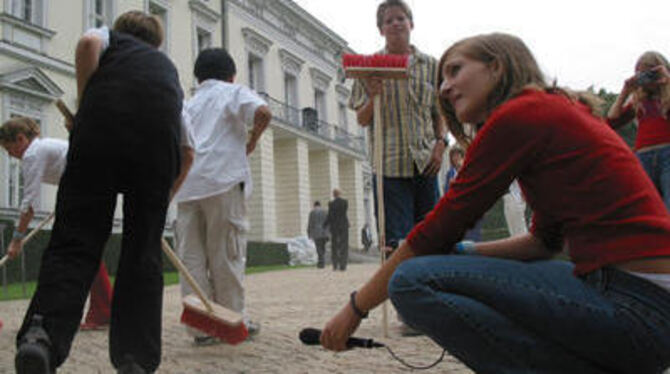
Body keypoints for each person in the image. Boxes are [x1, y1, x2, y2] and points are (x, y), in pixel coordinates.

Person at [320, 33, 670, 374]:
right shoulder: (551, 110)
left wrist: (355, 308)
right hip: (641, 301)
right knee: (426, 268)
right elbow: (542, 243)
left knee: (411, 281)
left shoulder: (520, 115)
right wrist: (462, 252)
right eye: (442, 79)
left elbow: (436, 230)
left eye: (455, 71)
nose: (443, 87)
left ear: (496, 67)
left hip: (638, 307)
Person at [14, 11, 188, 374]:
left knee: (75, 240)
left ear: (122, 32)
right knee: (142, 252)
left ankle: (42, 337)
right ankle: (135, 359)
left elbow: (88, 44)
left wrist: (86, 104)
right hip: (158, 149)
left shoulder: (109, 39)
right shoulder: (166, 71)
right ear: (155, 43)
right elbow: (188, 153)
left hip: (100, 137)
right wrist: (164, 196)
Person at [173, 47, 271, 345]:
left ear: (198, 76)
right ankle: (231, 323)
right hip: (222, 181)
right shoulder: (232, 91)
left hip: (187, 186)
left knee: (191, 260)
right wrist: (252, 140)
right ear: (231, 75)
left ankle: (201, 327)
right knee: (226, 254)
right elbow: (263, 113)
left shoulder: (187, 105)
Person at [349, 0, 446, 254]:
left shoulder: (432, 66)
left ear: (411, 24)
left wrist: (440, 144)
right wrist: (373, 97)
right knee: (395, 244)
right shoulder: (368, 68)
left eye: (400, 18)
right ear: (381, 30)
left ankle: (431, 287)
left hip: (426, 161)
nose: (395, 24)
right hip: (388, 165)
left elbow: (440, 112)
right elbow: (361, 119)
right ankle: (399, 290)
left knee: (431, 237)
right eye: (388, 21)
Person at [0, 117, 115, 332]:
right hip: (88, 189)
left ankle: (102, 311)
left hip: (89, 190)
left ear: (20, 139)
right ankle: (104, 310)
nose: (9, 155)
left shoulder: (33, 153)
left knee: (76, 252)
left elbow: (29, 203)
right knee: (86, 252)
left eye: (8, 148)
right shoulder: (43, 148)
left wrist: (16, 240)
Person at [608, 51, 670, 210]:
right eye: (642, 75)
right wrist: (625, 91)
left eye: (651, 73)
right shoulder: (639, 101)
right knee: (648, 208)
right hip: (643, 155)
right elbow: (612, 121)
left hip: (667, 154)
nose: (648, 80)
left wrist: (667, 82)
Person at [444, 147, 482, 241]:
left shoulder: (468, 169)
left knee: (474, 233)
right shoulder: (449, 174)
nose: (455, 158)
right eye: (453, 156)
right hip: (456, 207)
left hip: (471, 205)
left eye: (458, 155)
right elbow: (446, 191)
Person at [324, 189, 349, 271]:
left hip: (334, 227)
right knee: (344, 245)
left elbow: (330, 215)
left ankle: (335, 264)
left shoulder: (331, 204)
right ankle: (343, 264)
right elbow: (344, 213)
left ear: (333, 195)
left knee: (334, 245)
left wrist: (325, 224)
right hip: (343, 226)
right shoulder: (345, 202)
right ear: (340, 194)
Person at [307, 201, 329, 268]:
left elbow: (310, 224)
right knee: (323, 247)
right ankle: (322, 261)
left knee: (318, 248)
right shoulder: (325, 212)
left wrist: (309, 233)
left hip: (316, 233)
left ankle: (321, 262)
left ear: (314, 205)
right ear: (320, 205)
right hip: (325, 232)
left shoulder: (312, 213)